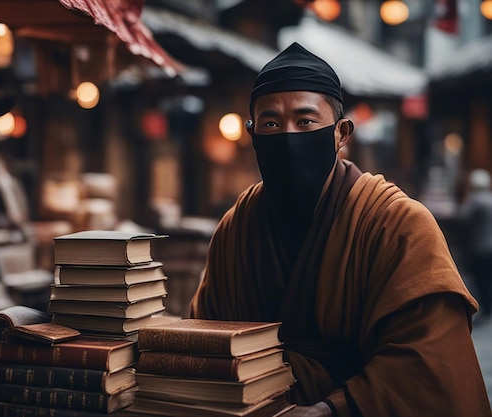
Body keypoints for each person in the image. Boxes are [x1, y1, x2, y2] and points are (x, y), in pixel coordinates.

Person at [189, 42, 491, 417]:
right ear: (252, 133)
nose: (287, 137)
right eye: (270, 124)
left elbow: (429, 362)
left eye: (305, 122)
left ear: (340, 133)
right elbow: (206, 339)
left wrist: (332, 409)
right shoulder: (236, 229)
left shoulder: (397, 224)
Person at [460, 168, 492, 324]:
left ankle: (485, 310)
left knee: (481, 280)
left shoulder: (476, 200)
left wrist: (467, 196)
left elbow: (463, 216)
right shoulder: (490, 198)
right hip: (490, 246)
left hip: (480, 247)